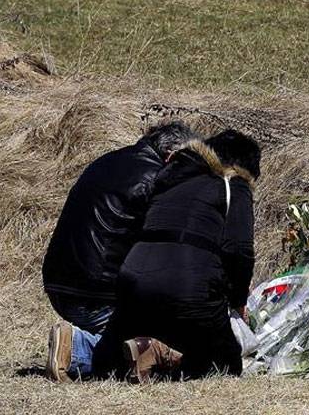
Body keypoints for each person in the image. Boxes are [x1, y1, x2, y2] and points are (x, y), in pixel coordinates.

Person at [92, 129, 260, 383]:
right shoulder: (234, 185)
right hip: (188, 286)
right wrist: (237, 299)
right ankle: (161, 357)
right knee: (225, 365)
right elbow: (238, 249)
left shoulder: (171, 181)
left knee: (108, 364)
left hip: (133, 280)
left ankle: (73, 347)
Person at [42, 121, 196, 382]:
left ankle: (79, 344)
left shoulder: (107, 161)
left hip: (60, 285)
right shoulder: (159, 180)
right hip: (97, 296)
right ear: (172, 156)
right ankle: (77, 349)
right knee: (168, 347)